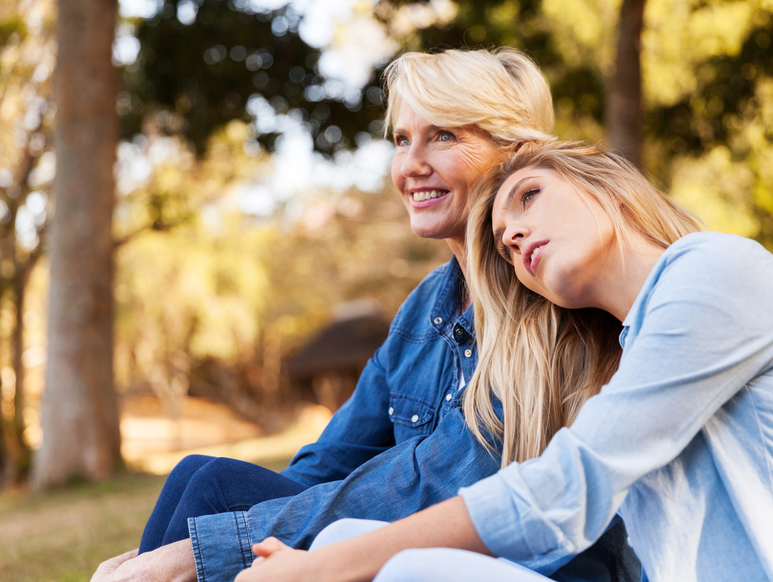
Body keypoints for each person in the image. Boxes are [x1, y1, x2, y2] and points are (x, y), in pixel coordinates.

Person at [92, 54, 640, 582]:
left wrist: (212, 545)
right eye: (402, 140)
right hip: (424, 552)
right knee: (206, 480)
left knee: (214, 496)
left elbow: (441, 479)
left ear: (514, 150)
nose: (411, 164)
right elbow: (329, 460)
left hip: (531, 566)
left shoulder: (546, 298)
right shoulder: (427, 308)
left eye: (443, 135)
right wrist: (204, 542)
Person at [233, 141, 773, 582]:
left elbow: (563, 492)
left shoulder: (715, 271)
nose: (511, 234)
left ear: (606, 183)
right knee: (350, 546)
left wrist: (313, 568)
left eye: (530, 196)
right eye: (503, 246)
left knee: (392, 566)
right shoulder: (624, 357)